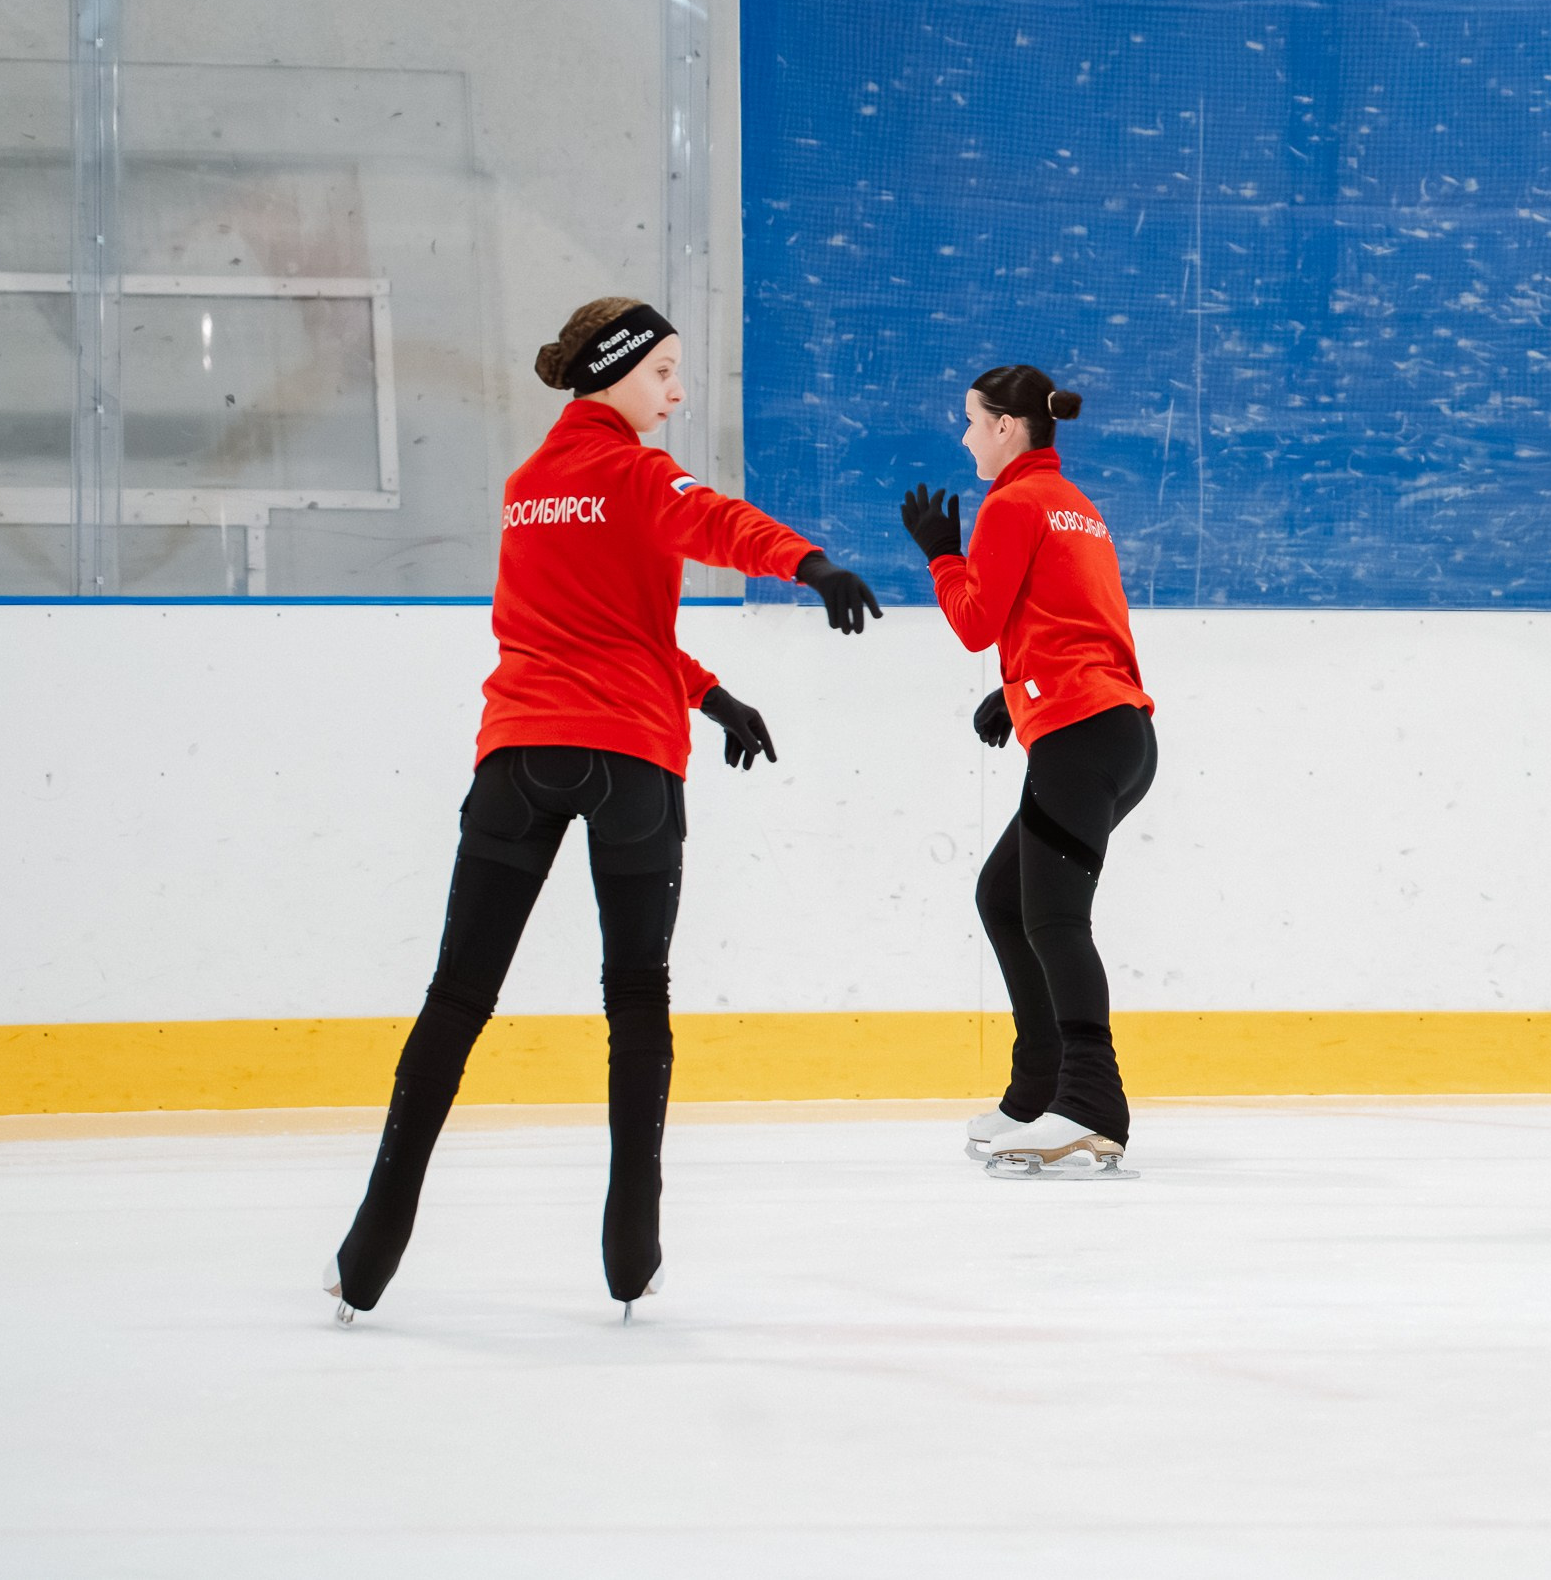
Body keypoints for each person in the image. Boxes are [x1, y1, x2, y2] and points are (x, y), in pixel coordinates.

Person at [326, 296, 883, 1321]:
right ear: (615, 371)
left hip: (518, 757)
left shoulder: (527, 488)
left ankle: (370, 1248)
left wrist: (712, 695)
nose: (676, 392)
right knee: (636, 998)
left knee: (456, 998)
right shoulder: (639, 474)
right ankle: (632, 1247)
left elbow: (590, 625)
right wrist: (811, 563)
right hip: (628, 762)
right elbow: (719, 523)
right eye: (663, 371)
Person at [899, 364, 1157, 1178]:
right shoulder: (1075, 505)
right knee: (1004, 897)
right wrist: (1014, 696)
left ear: (1007, 426)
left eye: (972, 421)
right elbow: (1079, 619)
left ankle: (1090, 1105)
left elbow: (978, 622)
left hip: (1081, 734)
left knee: (1053, 919)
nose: (965, 436)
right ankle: (1038, 1089)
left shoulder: (1012, 503)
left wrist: (942, 556)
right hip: (1114, 730)